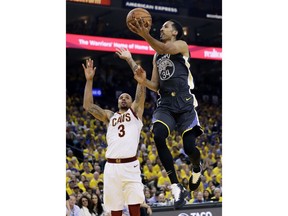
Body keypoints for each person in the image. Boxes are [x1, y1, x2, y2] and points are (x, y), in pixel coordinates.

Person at [127, 18, 204, 209]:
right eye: (161, 27)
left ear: (175, 32)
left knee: (189, 147)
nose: (161, 29)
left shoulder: (181, 45)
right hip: (166, 104)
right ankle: (177, 186)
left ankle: (196, 168)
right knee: (158, 135)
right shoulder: (156, 56)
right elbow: (155, 85)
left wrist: (145, 34)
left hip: (185, 103)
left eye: (165, 27)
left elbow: (166, 49)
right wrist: (143, 81)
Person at [82, 58, 146, 216]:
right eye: (121, 97)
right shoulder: (110, 116)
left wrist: (141, 82)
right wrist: (89, 80)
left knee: (134, 203)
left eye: (127, 97)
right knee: (114, 206)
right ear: (117, 101)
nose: (123, 98)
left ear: (131, 102)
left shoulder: (135, 112)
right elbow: (88, 106)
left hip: (130, 165)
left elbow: (140, 97)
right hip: (111, 166)